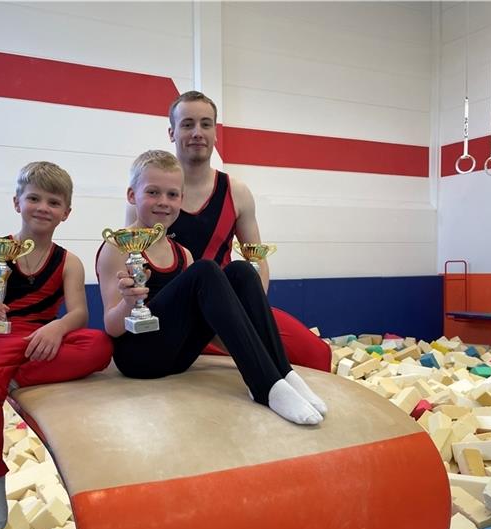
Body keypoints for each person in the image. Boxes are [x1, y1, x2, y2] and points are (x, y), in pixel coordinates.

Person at [99, 150, 327, 427]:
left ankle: (282, 373)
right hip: (139, 359)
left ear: (181, 200)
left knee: (241, 270)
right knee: (207, 270)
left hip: (179, 358)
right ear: (132, 196)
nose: (163, 202)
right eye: (153, 193)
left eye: (172, 195)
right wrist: (127, 302)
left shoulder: (182, 253)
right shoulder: (117, 248)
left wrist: (244, 340)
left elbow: (206, 321)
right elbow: (112, 327)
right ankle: (266, 385)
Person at [127, 91, 331, 372]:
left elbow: (256, 260)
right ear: (172, 133)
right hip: (177, 319)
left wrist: (247, 314)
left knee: (316, 354)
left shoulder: (237, 192)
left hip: (227, 311)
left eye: (205, 124)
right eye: (187, 124)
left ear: (215, 133)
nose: (197, 132)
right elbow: (133, 267)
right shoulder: (148, 197)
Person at [0, 161, 113, 529]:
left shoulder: (69, 262)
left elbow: (79, 314)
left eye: (53, 202)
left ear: (66, 212)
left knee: (101, 346)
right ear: (17, 202)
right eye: (34, 198)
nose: (43, 207)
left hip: (41, 340)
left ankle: (11, 378)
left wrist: (58, 328)